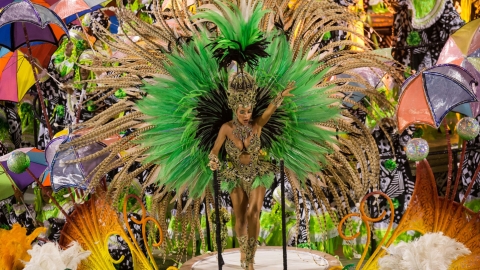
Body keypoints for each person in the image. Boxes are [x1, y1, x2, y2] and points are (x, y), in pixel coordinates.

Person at [208, 72, 294, 268]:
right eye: (242, 112)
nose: (247, 116)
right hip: (235, 175)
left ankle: (250, 257)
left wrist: (280, 95)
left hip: (258, 174)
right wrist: (213, 161)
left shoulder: (257, 125)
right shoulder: (226, 128)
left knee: (253, 212)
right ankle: (243, 249)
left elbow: (268, 112)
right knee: (240, 216)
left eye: (249, 111)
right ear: (234, 110)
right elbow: (214, 151)